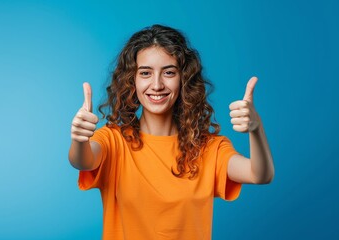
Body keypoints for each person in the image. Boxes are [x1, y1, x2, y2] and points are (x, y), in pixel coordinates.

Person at [68, 24, 274, 240]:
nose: (157, 85)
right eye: (145, 73)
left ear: (184, 78)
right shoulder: (113, 141)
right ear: (132, 80)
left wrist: (256, 129)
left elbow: (259, 174)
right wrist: (79, 139)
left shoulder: (209, 148)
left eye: (168, 72)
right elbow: (82, 161)